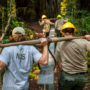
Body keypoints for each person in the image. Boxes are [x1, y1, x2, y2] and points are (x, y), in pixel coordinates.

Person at [55, 22, 90, 90]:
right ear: (74, 32)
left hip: (68, 76)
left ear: (63, 33)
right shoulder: (82, 41)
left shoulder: (60, 43)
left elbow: (58, 60)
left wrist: (61, 67)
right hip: (82, 77)